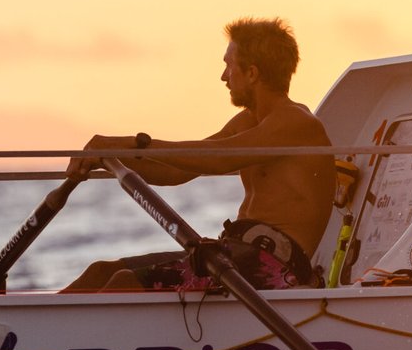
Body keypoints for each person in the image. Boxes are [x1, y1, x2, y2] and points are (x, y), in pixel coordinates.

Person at [60, 17, 334, 292]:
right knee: (100, 272)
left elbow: (214, 158)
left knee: (124, 284)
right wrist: (108, 161)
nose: (224, 76)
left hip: (275, 267)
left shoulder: (296, 123)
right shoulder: (248, 122)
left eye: (229, 65)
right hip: (234, 253)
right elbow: (175, 172)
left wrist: (130, 144)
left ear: (252, 73)